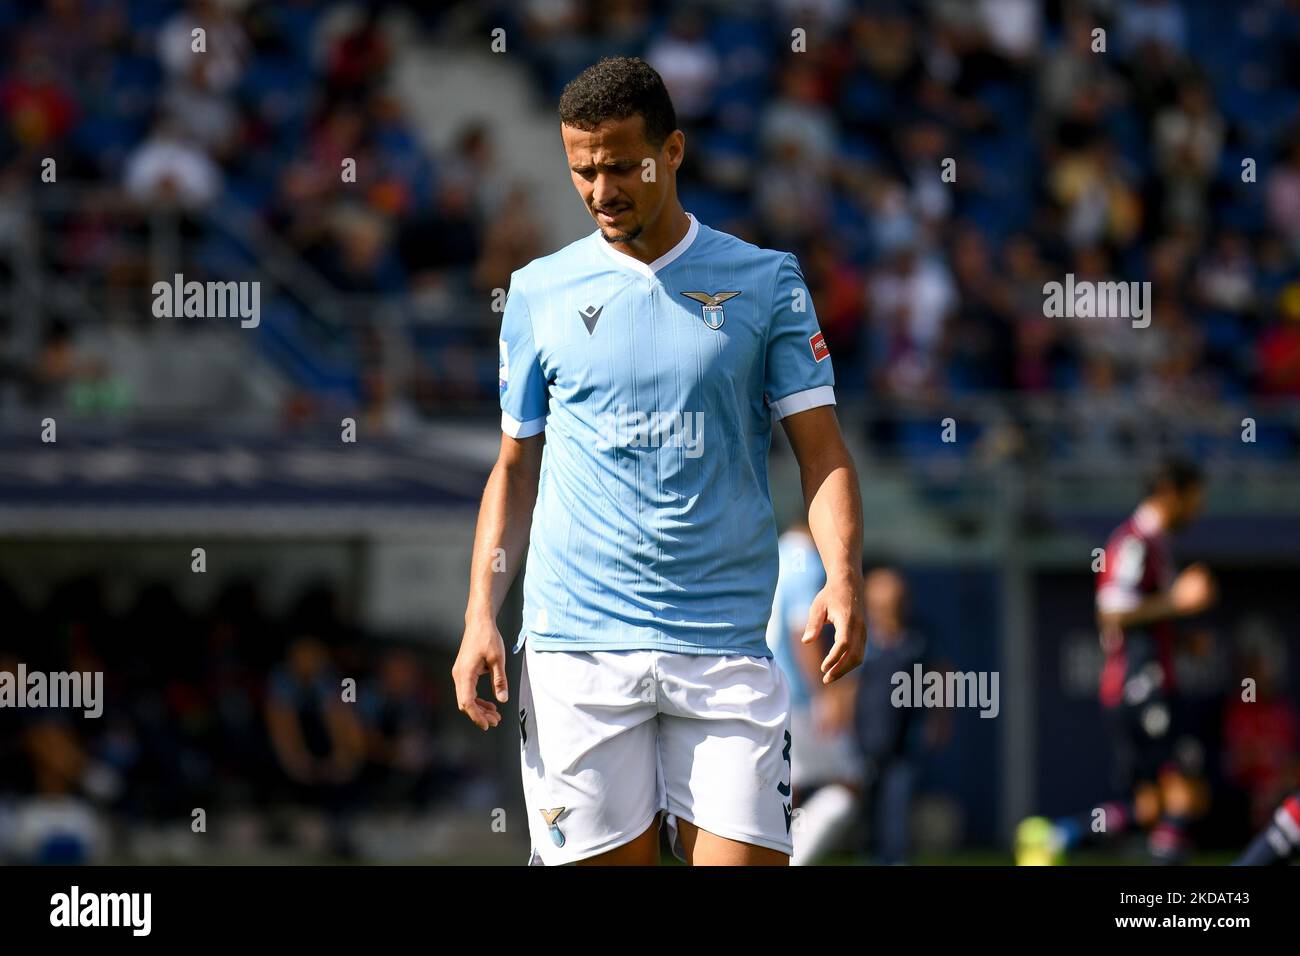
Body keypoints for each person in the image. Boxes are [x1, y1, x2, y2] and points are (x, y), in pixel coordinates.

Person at [451, 56, 866, 866]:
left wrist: (843, 575)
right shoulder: (538, 293)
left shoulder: (766, 282)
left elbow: (823, 456)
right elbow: (514, 470)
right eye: (582, 170)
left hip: (725, 647)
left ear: (672, 151)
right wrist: (479, 616)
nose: (601, 189)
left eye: (619, 166)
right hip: (578, 651)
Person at [1016, 457, 1216, 864]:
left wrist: (1179, 637)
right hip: (1139, 685)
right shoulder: (1133, 542)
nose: (1199, 509)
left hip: (1146, 683)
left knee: (1148, 808)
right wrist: (1177, 602)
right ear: (1171, 493)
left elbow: (1142, 615)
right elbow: (1110, 610)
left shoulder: (1156, 545)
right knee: (1185, 790)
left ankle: (1057, 837)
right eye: (1195, 498)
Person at [766, 521, 862, 866]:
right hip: (799, 694)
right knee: (850, 782)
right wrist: (826, 693)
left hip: (765, 685)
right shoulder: (805, 560)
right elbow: (802, 632)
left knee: (782, 788)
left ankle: (780, 854)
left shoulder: (772, 553)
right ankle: (796, 858)